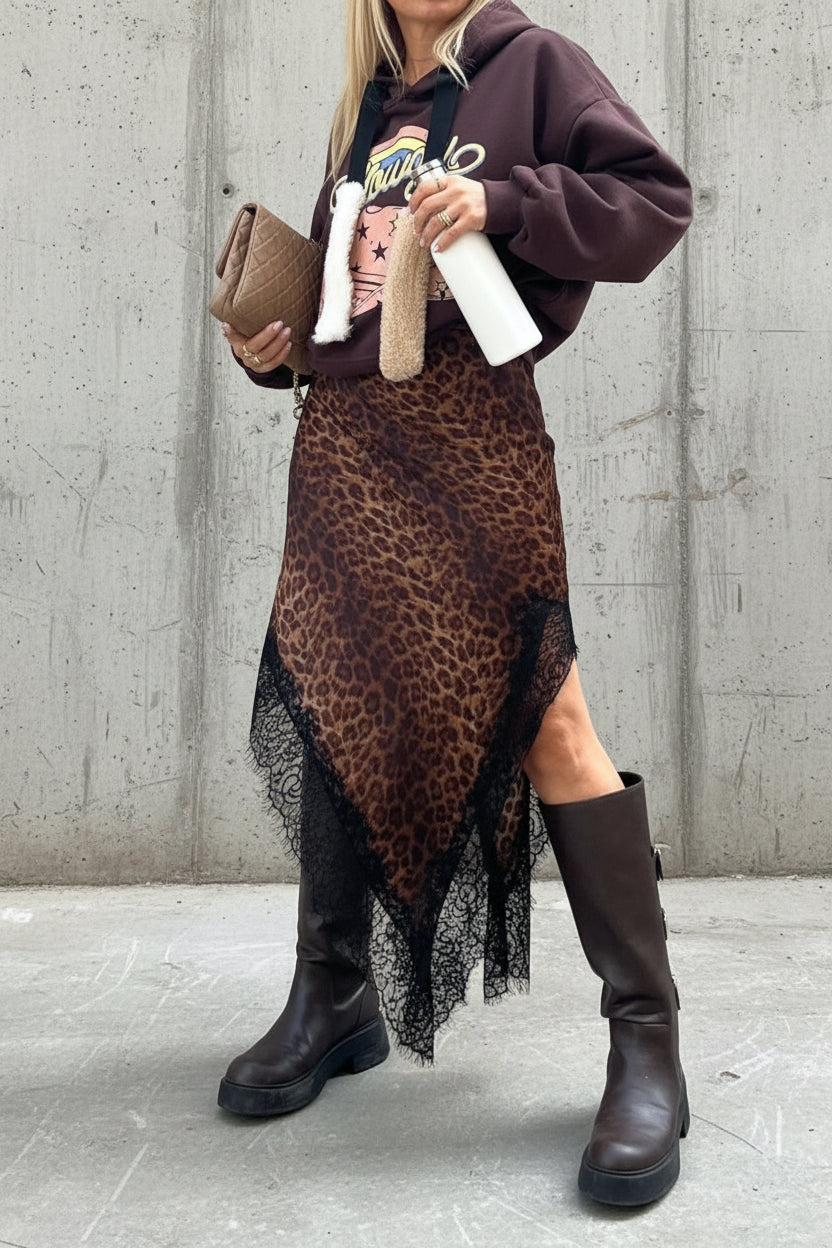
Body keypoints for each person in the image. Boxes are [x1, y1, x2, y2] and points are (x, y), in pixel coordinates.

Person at [217, 0, 693, 1208]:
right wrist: (278, 347)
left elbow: (653, 203)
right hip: (346, 447)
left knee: (549, 718)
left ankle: (647, 1038)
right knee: (339, 707)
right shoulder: (372, 102)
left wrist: (505, 201)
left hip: (474, 439)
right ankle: (333, 994)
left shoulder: (532, 65)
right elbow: (357, 297)